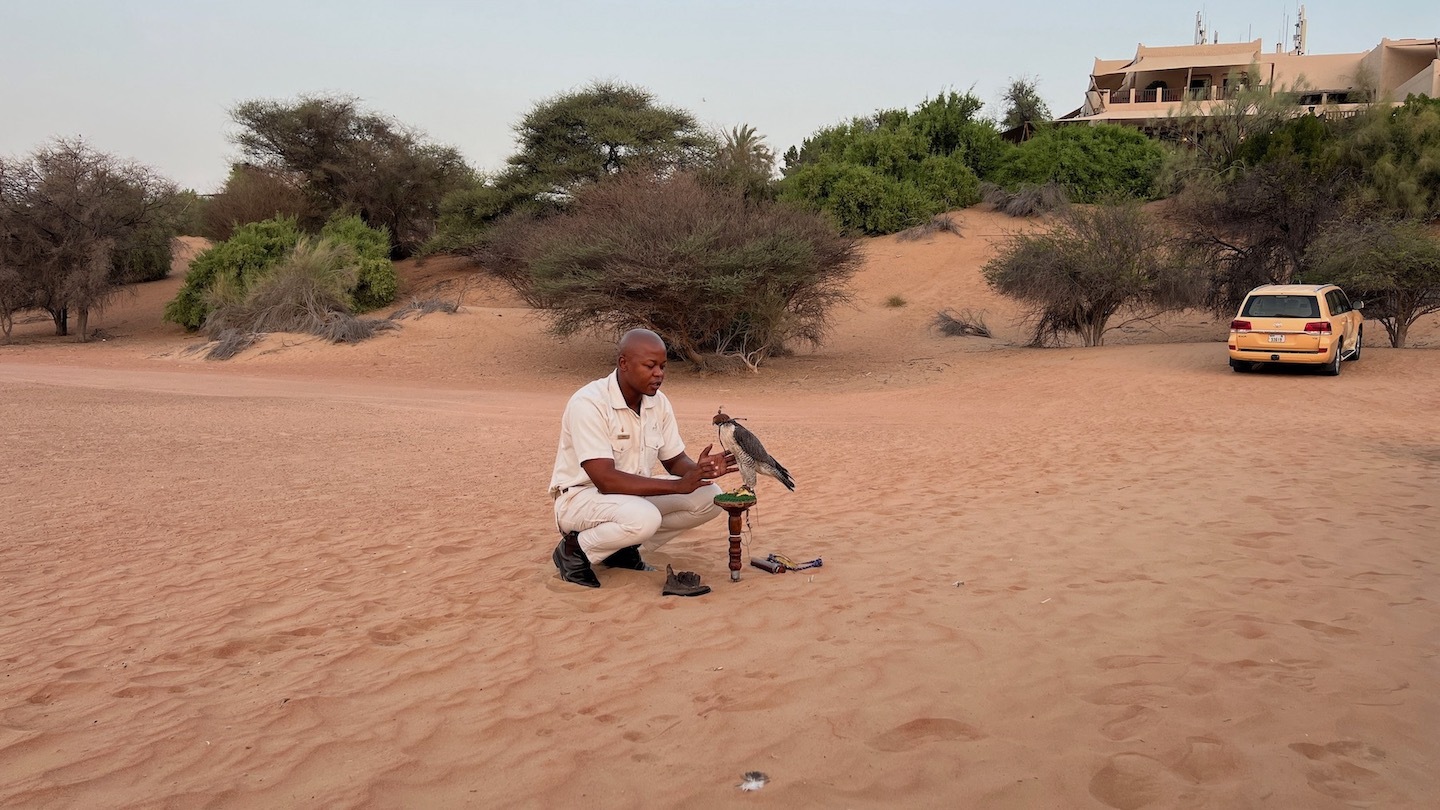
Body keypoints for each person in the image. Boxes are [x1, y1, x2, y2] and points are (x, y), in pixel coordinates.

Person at [549, 329, 737, 588]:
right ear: (623, 364)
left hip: (633, 498)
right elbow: (604, 480)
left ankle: (622, 549)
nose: (659, 374)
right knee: (644, 518)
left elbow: (674, 460)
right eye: (650, 366)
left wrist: (699, 471)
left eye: (662, 366)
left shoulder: (658, 403)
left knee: (710, 497)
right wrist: (677, 486)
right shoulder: (589, 403)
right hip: (580, 499)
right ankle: (576, 550)